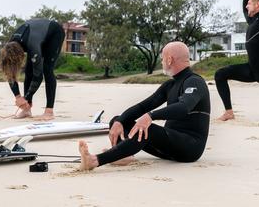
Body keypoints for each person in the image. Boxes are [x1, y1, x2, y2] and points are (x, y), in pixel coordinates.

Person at [78, 42, 210, 170]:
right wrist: (119, 121)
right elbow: (143, 106)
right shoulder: (170, 85)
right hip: (167, 147)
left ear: (169, 60)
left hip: (190, 148)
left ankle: (95, 161)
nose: (161, 62)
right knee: (120, 121)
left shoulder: (194, 81)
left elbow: (183, 107)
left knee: (146, 128)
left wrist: (150, 116)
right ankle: (124, 155)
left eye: (162, 58)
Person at [0, 19, 65, 120]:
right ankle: (27, 110)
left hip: (54, 33)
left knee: (47, 69)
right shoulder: (10, 45)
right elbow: (9, 73)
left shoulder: (32, 45)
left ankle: (49, 111)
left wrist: (25, 98)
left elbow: (38, 76)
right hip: (36, 35)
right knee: (28, 71)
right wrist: (18, 97)